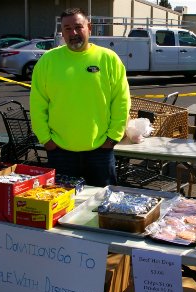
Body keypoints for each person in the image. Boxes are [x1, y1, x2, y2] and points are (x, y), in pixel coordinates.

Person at [30, 8, 130, 187]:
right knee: (63, 207)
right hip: (60, 152)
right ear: (62, 32)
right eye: (67, 28)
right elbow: (38, 104)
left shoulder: (109, 59)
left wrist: (112, 138)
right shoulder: (48, 61)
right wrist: (46, 140)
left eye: (78, 27)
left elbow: (121, 101)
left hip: (100, 150)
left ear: (89, 27)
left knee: (102, 204)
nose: (73, 33)